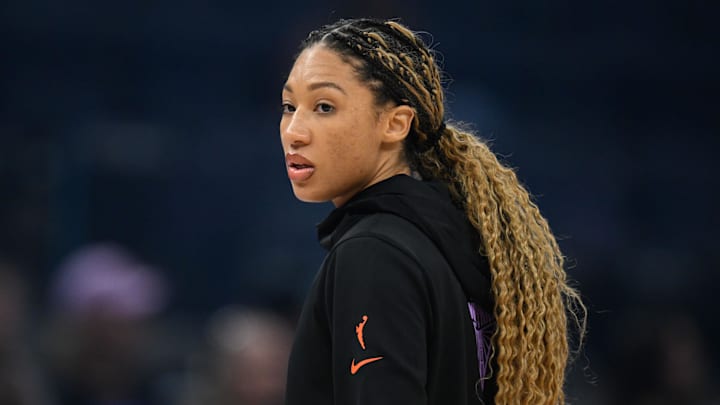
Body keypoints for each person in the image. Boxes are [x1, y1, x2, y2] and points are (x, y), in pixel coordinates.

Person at [279, 17, 586, 405]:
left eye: (324, 106)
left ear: (395, 124)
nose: (294, 130)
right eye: (290, 106)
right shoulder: (461, 241)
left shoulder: (374, 253)